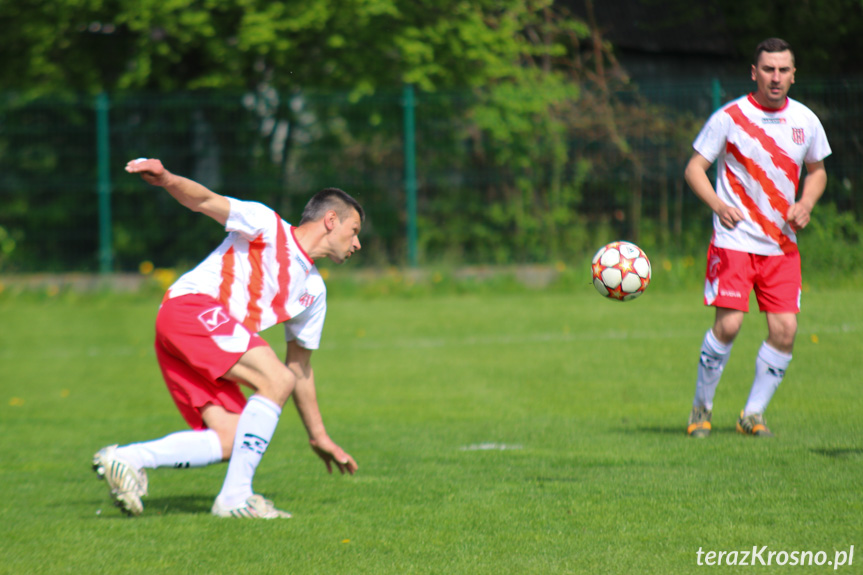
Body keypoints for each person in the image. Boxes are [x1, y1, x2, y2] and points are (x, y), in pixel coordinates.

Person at [92, 158, 362, 518]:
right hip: (189, 311)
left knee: (232, 438)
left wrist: (318, 435)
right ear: (331, 220)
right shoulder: (267, 225)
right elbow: (204, 200)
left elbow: (300, 368)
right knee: (273, 378)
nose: (357, 243)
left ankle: (126, 459)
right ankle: (235, 498)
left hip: (201, 337)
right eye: (355, 230)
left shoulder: (314, 291)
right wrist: (168, 178)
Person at [683, 38, 831, 438]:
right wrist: (717, 204)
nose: (776, 77)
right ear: (755, 72)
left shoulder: (805, 120)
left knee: (785, 331)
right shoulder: (730, 117)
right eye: (768, 69)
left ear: (794, 74)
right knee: (728, 326)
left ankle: (753, 414)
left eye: (783, 70)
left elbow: (817, 171)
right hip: (734, 241)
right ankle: (701, 409)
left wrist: (807, 203)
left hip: (782, 246)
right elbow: (695, 168)